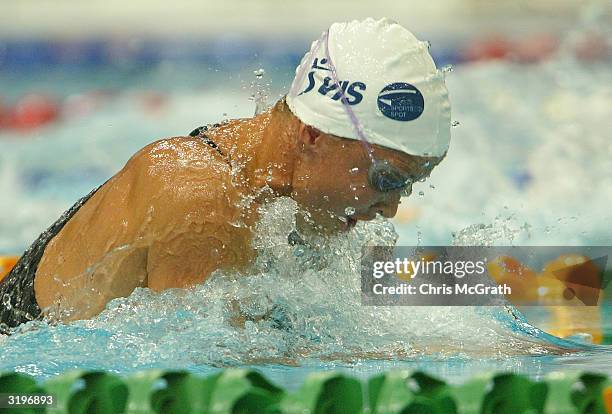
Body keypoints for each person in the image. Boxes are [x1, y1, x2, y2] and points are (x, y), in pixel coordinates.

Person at [0, 18, 451, 333]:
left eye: (408, 185)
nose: (392, 207)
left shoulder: (284, 195)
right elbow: (217, 375)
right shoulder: (201, 200)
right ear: (314, 135)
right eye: (387, 179)